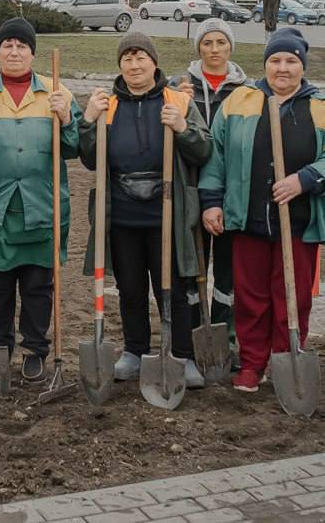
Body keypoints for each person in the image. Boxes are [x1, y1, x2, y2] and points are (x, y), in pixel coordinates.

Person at [198, 28, 325, 393]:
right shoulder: (239, 102)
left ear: (302, 66)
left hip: (297, 224)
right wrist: (211, 203)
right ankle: (252, 362)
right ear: (265, 64)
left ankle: (286, 356)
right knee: (250, 297)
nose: (282, 69)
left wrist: (307, 179)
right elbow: (215, 157)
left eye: (291, 61)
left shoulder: (323, 109)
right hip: (247, 218)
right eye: (275, 61)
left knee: (291, 296)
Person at [79, 33, 211, 389]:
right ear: (120, 64)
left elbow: (204, 151)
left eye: (141, 58)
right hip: (121, 213)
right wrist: (89, 121)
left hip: (166, 213)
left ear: (154, 62)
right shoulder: (109, 105)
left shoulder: (177, 101)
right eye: (127, 58)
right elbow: (90, 158)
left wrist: (182, 129)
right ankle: (135, 350)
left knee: (173, 288)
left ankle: (181, 354)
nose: (134, 65)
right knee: (131, 287)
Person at [0, 18, 81, 382]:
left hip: (42, 207)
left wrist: (66, 117)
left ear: (32, 53)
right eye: (7, 45)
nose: (14, 51)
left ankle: (35, 349)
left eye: (21, 45)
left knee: (39, 285)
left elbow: (72, 149)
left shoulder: (58, 92)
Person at [172, 17, 249, 364]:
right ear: (198, 47)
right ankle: (191, 338)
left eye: (221, 42)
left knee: (230, 272)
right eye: (207, 43)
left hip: (231, 191)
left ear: (231, 46)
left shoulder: (246, 90)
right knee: (190, 268)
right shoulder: (180, 85)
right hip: (188, 186)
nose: (214, 49)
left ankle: (225, 337)